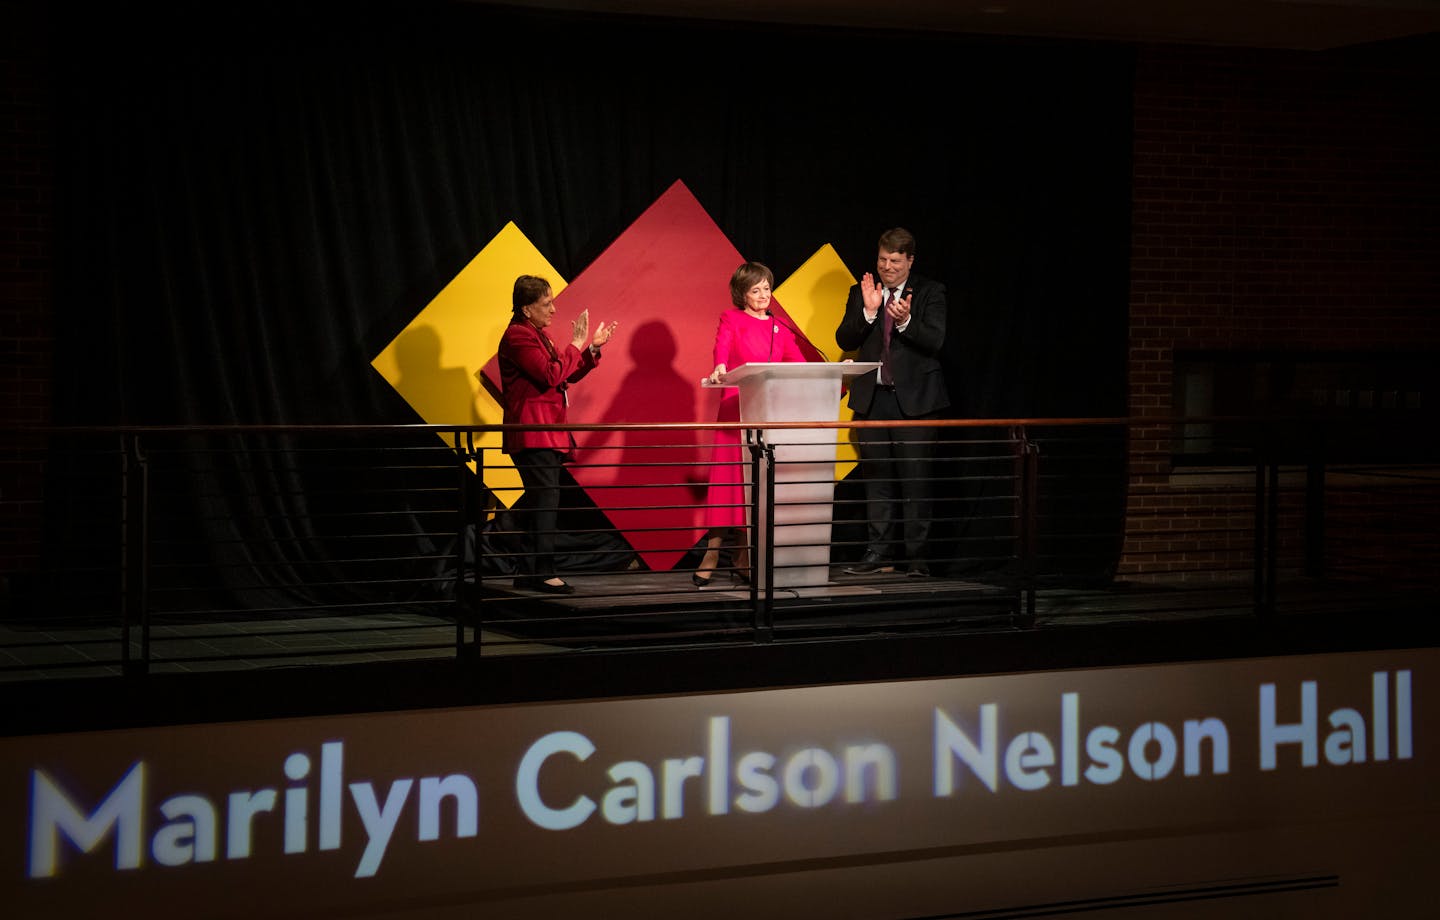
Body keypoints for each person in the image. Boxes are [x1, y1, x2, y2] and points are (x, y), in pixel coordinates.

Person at [835, 227, 948, 576]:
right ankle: (877, 552)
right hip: (872, 401)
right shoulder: (862, 292)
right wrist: (869, 313)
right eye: (883, 259)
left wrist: (906, 321)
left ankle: (916, 560)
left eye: (895, 261)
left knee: (915, 483)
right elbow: (845, 337)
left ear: (910, 261)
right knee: (877, 481)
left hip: (915, 403)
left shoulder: (930, 292)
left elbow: (935, 341)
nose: (887, 267)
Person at [498, 275, 616, 594]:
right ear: (526, 308)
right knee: (546, 499)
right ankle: (544, 570)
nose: (553, 309)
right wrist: (575, 344)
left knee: (541, 499)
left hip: (548, 430)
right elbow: (551, 375)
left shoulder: (539, 335)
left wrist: (590, 348)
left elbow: (565, 375)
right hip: (533, 430)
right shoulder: (518, 336)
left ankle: (529, 570)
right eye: (546, 303)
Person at [695, 261, 807, 587]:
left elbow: (797, 365)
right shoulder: (731, 318)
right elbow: (723, 346)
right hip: (735, 410)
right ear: (742, 294)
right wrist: (718, 365)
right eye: (755, 290)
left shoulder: (780, 327)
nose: (763, 295)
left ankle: (744, 556)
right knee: (727, 484)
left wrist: (830, 372)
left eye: (767, 289)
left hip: (766, 414)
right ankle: (713, 553)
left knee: (756, 485)